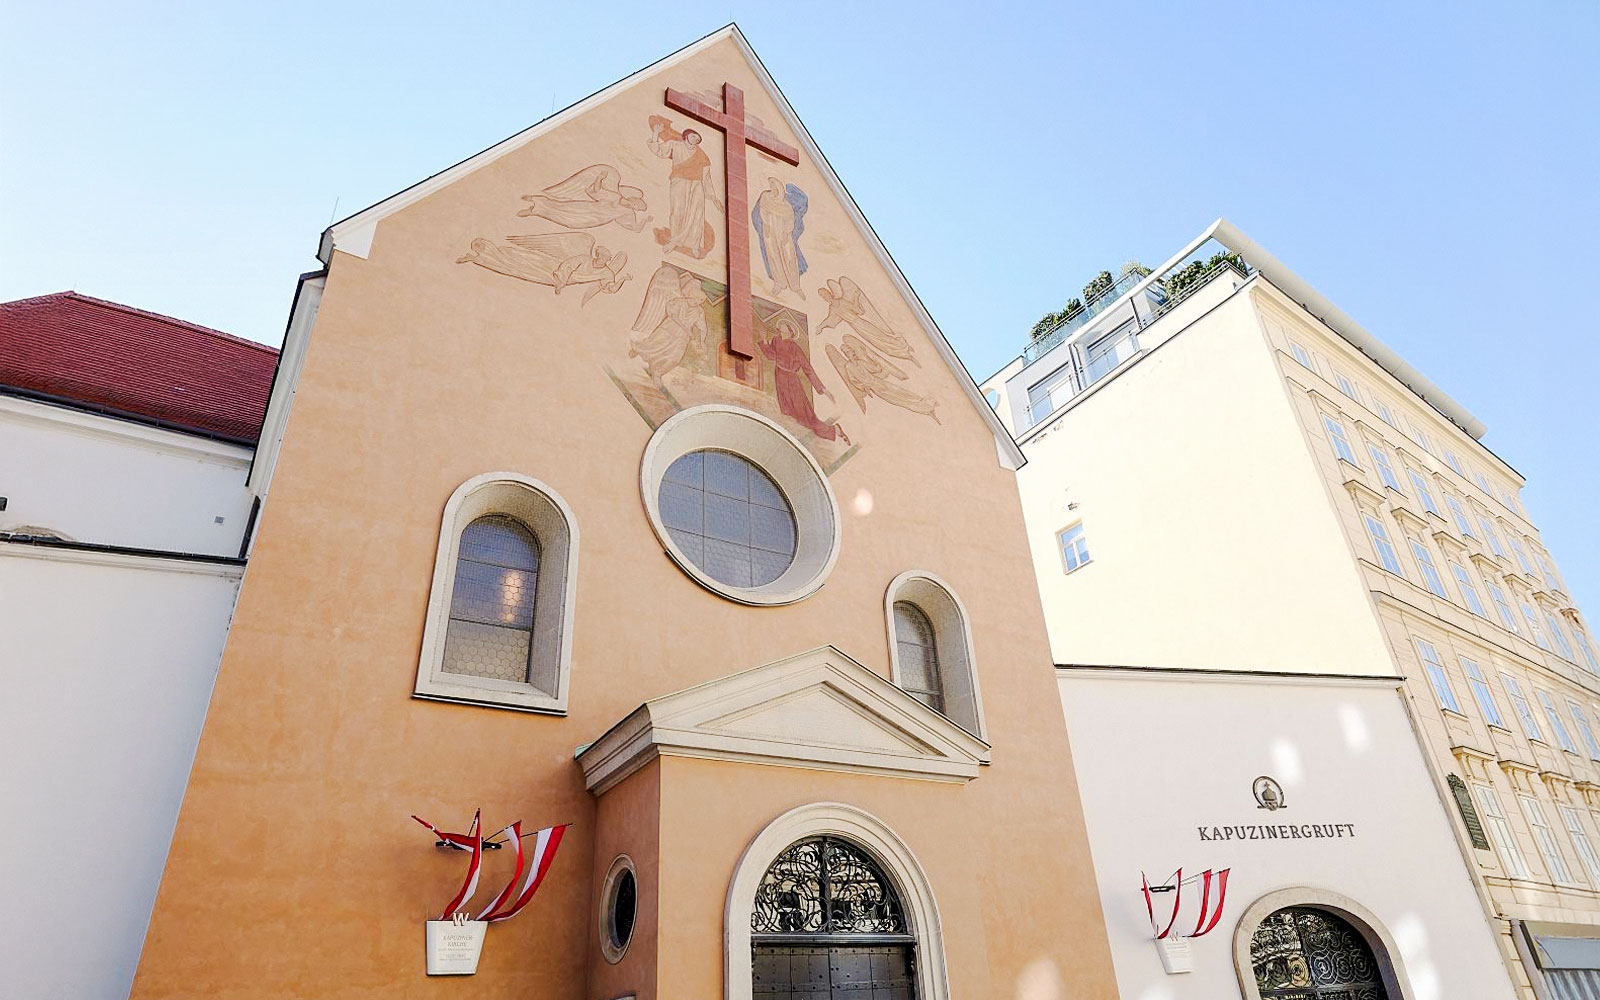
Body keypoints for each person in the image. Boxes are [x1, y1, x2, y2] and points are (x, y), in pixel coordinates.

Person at [758, 318, 848, 444]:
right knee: (786, 409)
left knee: (803, 415)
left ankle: (833, 430)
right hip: (779, 376)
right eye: (781, 325)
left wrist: (822, 389)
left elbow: (807, 368)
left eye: (784, 325)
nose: (781, 326)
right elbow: (770, 356)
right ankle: (790, 438)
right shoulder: (776, 340)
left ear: (790, 331)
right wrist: (764, 341)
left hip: (791, 379)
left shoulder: (795, 347)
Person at [647, 117, 723, 259]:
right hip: (679, 180)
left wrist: (713, 197)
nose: (695, 140)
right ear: (687, 135)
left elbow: (706, 177)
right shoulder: (675, 145)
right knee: (677, 210)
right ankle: (675, 240)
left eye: (698, 139)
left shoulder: (702, 156)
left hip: (696, 184)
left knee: (696, 214)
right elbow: (659, 150)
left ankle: (694, 244)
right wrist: (655, 134)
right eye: (694, 136)